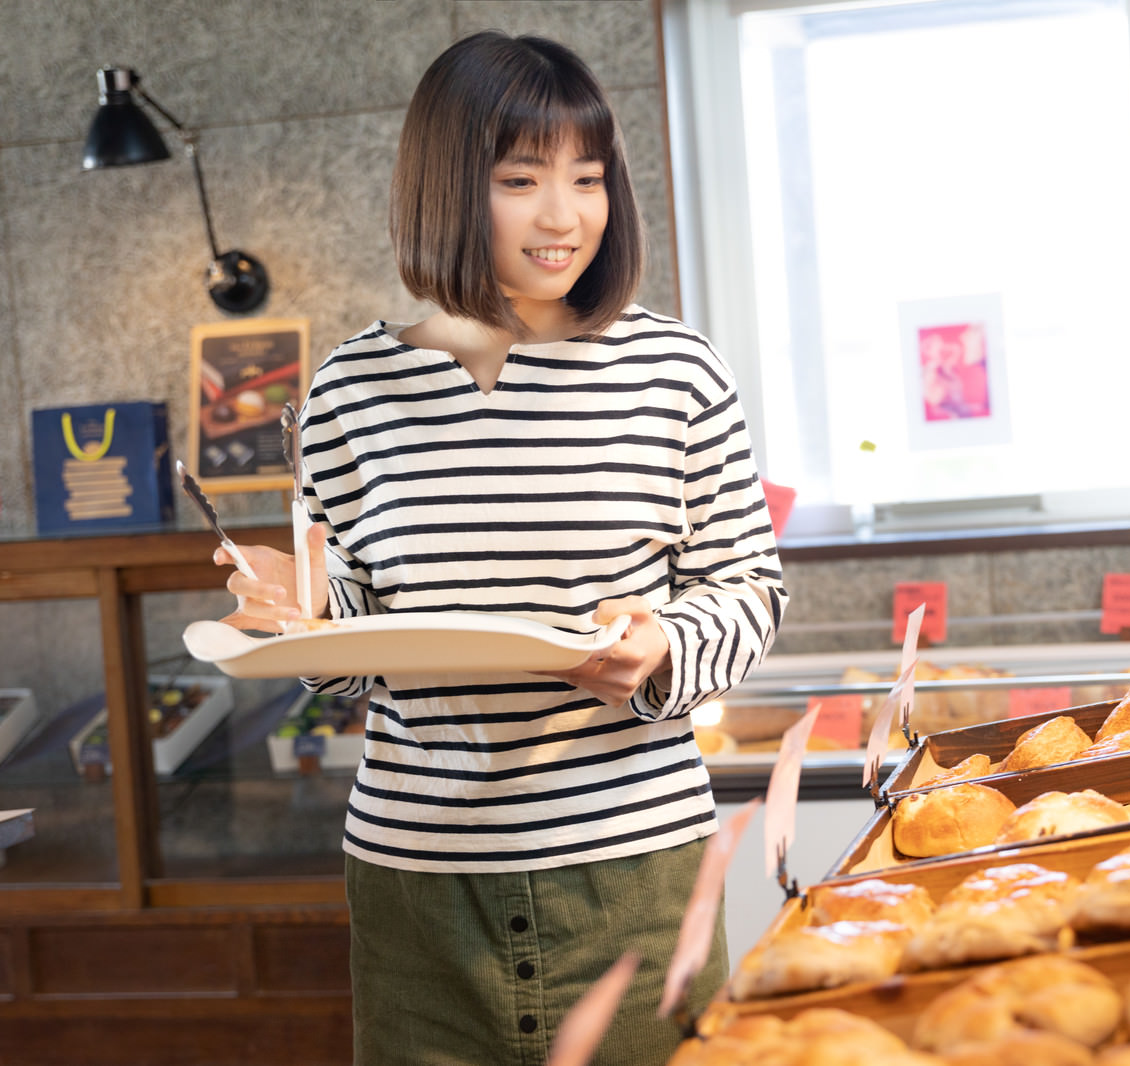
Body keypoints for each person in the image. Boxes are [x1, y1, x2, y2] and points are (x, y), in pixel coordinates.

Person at [213, 31, 786, 1066]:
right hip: (419, 884)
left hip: (636, 870)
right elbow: (357, 657)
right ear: (443, 187)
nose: (563, 214)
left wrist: (662, 644)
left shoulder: (675, 369)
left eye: (588, 177)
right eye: (521, 178)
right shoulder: (351, 391)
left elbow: (749, 590)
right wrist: (301, 610)